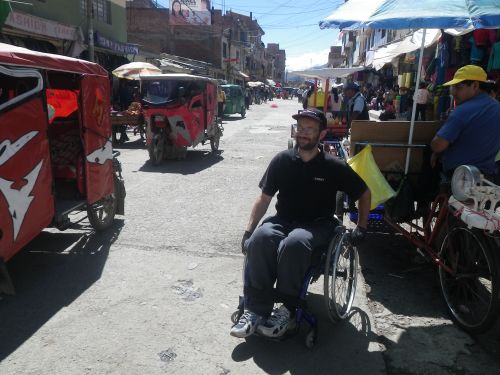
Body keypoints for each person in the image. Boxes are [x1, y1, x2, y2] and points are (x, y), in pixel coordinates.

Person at [230, 108, 371, 339]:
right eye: (301, 128)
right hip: (283, 219)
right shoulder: (282, 161)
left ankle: (288, 309)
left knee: (294, 243)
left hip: (318, 224)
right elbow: (264, 198)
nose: (303, 133)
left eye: (310, 129)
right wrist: (248, 231)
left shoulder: (333, 166)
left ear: (321, 135)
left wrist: (362, 227)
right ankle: (256, 309)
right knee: (259, 239)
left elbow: (365, 193)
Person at [431, 65, 500, 183]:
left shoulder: (462, 111)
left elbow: (437, 145)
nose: (454, 93)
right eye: (453, 88)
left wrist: (435, 152)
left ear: (475, 86)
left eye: (458, 87)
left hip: (462, 180)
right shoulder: (497, 107)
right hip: (489, 180)